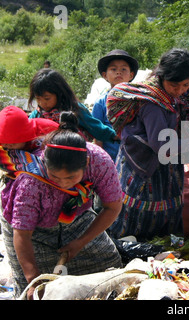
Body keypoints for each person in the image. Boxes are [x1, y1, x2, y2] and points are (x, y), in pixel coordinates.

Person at [106, 48, 189, 241]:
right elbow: (161, 145)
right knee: (140, 217)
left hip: (171, 162)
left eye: (185, 84)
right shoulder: (152, 102)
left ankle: (166, 250)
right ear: (161, 76)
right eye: (174, 85)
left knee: (169, 210)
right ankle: (130, 250)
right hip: (144, 165)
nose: (180, 90)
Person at [0, 111, 123, 299]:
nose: (63, 183)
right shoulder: (31, 181)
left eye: (71, 178)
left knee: (108, 267)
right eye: (55, 176)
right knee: (34, 289)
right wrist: (33, 279)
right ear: (45, 164)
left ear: (87, 164)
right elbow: (22, 234)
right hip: (32, 231)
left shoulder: (100, 162)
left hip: (77, 218)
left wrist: (81, 242)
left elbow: (112, 207)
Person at [27, 68, 118, 144]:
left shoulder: (74, 109)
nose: (42, 103)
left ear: (59, 94)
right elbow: (26, 131)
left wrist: (114, 136)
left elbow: (95, 126)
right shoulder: (37, 115)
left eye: (47, 99)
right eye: (38, 99)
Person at [92, 49, 139, 161]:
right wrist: (101, 160)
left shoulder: (138, 100)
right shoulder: (101, 102)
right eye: (113, 69)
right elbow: (97, 135)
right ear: (105, 75)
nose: (119, 72)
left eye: (124, 69)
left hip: (135, 156)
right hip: (111, 158)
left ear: (131, 75)